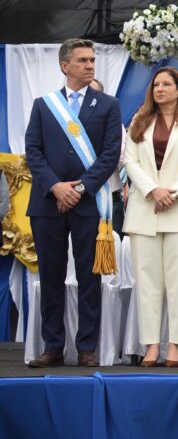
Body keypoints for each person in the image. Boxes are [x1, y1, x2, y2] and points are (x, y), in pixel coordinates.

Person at [25, 38, 122, 367]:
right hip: (47, 204)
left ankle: (86, 348)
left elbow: (110, 154)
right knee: (51, 276)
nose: (90, 65)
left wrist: (79, 189)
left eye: (92, 60)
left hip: (87, 203)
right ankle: (53, 346)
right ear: (65, 66)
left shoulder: (108, 105)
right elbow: (33, 152)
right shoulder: (43, 105)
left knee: (88, 277)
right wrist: (55, 187)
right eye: (82, 60)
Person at [123, 67, 178, 367]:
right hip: (145, 209)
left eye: (166, 84)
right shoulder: (139, 122)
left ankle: (175, 345)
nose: (159, 89)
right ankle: (150, 345)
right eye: (156, 84)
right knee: (147, 282)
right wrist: (152, 191)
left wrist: (172, 193)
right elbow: (130, 163)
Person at [90, 78, 128, 237]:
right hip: (75, 199)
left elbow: (120, 158)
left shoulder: (114, 125)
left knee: (111, 253)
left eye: (93, 93)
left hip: (109, 198)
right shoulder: (68, 125)